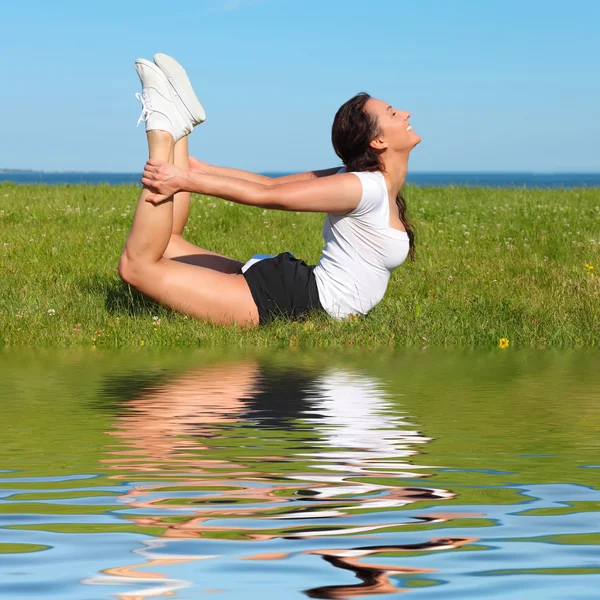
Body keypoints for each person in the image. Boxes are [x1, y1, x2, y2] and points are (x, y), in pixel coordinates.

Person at [119, 54, 421, 327]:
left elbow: (271, 185)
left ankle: (179, 127)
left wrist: (195, 173)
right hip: (300, 302)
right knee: (137, 268)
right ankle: (162, 131)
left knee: (170, 243)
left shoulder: (366, 183)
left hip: (301, 291)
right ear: (377, 142)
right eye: (393, 114)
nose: (406, 114)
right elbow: (270, 194)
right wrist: (187, 179)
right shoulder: (364, 186)